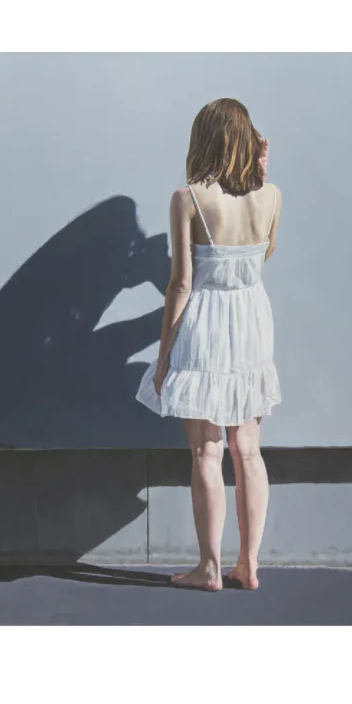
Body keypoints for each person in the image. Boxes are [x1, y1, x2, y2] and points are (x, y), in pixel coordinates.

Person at [136, 98, 282, 590]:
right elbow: (264, 253)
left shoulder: (188, 198)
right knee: (249, 452)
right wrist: (261, 176)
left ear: (204, 140)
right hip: (252, 321)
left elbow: (181, 284)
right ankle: (250, 564)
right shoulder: (271, 195)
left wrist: (164, 355)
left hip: (206, 324)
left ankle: (209, 568)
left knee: (206, 452)